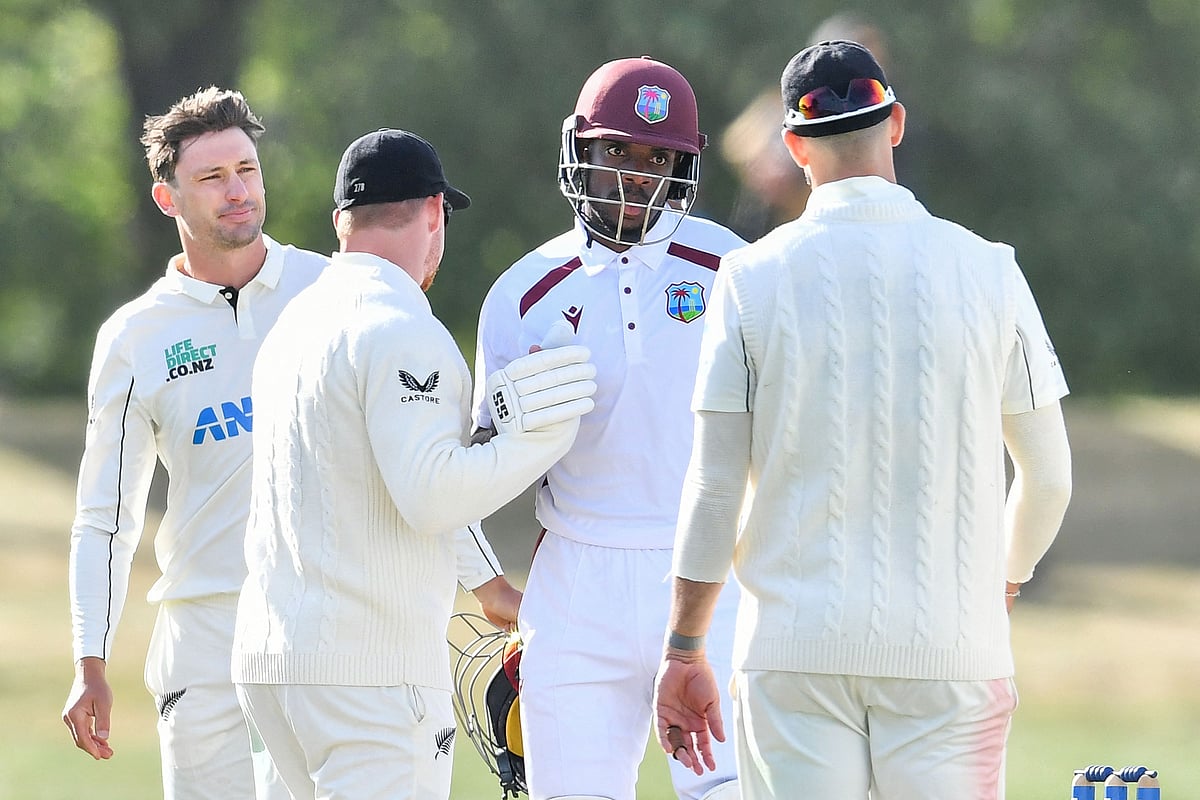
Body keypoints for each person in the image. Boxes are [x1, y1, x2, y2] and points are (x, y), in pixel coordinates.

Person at [653, 41, 1073, 800]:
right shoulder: (990, 269)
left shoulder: (749, 279)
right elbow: (1047, 480)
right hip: (953, 649)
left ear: (793, 145)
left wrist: (685, 647)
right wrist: (1003, 579)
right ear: (897, 124)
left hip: (793, 653)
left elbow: (715, 488)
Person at [230, 128, 597, 800]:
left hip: (270, 665)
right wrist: (543, 439)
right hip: (366, 680)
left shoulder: (294, 324)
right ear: (435, 213)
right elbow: (430, 493)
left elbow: (388, 475)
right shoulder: (403, 327)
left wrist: (488, 585)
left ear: (341, 222)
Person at [472, 56, 746, 800]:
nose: (635, 176)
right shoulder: (522, 294)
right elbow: (467, 466)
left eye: (657, 159)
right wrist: (481, 576)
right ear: (579, 153)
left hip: (710, 574)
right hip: (576, 575)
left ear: (683, 169)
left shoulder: (734, 268)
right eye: (617, 152)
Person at [59, 86, 330, 799]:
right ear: (167, 198)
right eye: (211, 178)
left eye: (246, 169)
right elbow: (104, 517)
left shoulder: (330, 290)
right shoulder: (134, 338)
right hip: (202, 636)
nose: (237, 191)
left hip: (322, 623)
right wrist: (91, 660)